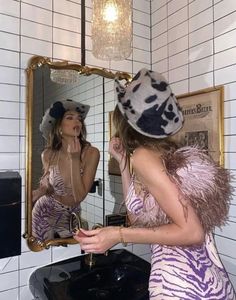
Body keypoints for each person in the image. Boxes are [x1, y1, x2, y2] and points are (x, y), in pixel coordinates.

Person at [74, 69, 236, 299]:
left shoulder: (144, 157)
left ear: (124, 118)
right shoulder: (157, 155)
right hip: (204, 279)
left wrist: (118, 235)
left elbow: (192, 232)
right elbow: (138, 217)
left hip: (179, 283)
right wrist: (123, 162)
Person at [32, 99, 100, 241]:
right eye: (70, 117)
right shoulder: (48, 154)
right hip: (44, 211)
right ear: (59, 127)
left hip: (70, 216)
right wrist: (40, 191)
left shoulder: (91, 153)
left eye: (79, 119)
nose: (77, 122)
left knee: (69, 257)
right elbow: (47, 183)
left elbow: (79, 197)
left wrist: (74, 160)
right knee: (43, 255)